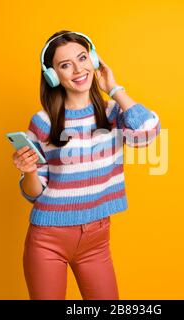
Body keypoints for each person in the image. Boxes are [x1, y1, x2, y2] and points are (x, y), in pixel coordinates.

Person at [11, 30, 161, 300]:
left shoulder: (114, 112)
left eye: (83, 58)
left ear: (93, 60)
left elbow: (149, 131)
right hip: (48, 240)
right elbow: (33, 193)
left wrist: (114, 89)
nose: (78, 69)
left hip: (96, 239)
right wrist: (28, 170)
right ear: (53, 76)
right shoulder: (43, 121)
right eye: (65, 65)